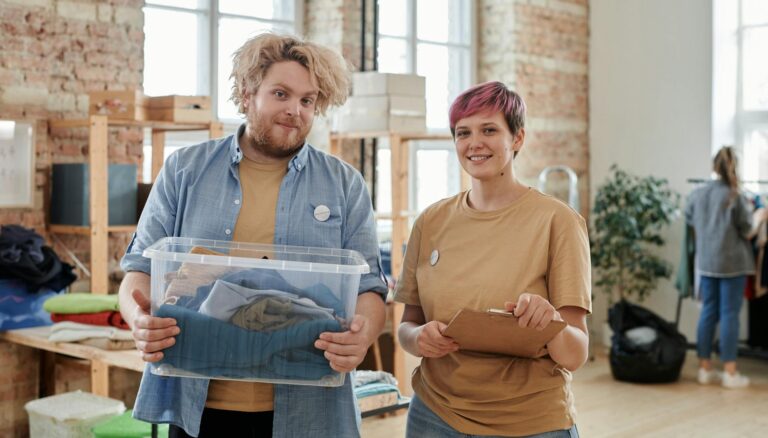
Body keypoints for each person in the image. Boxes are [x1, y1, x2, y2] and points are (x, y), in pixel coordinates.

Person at [118, 33, 387, 437]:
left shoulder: (344, 185)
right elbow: (140, 269)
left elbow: (368, 288)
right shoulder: (184, 170)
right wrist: (138, 319)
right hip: (197, 402)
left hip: (309, 405)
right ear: (247, 94)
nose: (294, 110)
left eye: (307, 100)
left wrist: (363, 333)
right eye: (281, 94)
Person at [394, 81, 591, 437]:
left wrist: (552, 322)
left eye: (489, 130)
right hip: (434, 415)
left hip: (530, 422)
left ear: (517, 139)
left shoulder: (557, 221)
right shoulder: (430, 222)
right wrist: (419, 337)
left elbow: (576, 353)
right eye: (463, 133)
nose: (474, 143)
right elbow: (407, 325)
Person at [685, 146, 765, 389]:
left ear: (714, 165)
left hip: (707, 262)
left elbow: (689, 219)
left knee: (708, 312)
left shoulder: (698, 194)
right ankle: (730, 372)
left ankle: (704, 368)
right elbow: (748, 230)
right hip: (733, 264)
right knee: (730, 314)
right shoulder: (735, 196)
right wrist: (761, 215)